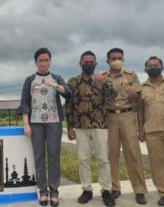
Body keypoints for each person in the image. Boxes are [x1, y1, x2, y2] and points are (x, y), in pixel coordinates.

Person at [18, 48, 70, 207]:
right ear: (36, 62)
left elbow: (68, 93)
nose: (44, 63)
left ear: (50, 61)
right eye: (41, 60)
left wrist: (56, 85)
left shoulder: (56, 78)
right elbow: (24, 103)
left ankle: (54, 191)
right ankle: (43, 191)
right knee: (39, 157)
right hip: (36, 123)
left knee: (54, 156)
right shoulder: (30, 80)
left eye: (47, 60)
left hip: (54, 122)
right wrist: (26, 124)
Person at [65, 51, 117, 206]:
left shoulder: (102, 79)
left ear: (96, 63)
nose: (88, 64)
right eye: (85, 62)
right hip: (80, 126)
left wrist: (106, 81)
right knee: (83, 159)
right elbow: (69, 105)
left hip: (100, 125)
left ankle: (106, 191)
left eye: (91, 62)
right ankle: (86, 190)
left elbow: (113, 94)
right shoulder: (73, 82)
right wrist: (70, 127)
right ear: (80, 64)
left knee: (103, 159)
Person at [101, 48, 147, 204]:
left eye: (120, 58)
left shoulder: (131, 76)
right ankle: (115, 188)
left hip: (128, 115)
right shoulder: (102, 77)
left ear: (123, 60)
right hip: (110, 116)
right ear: (107, 61)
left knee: (133, 154)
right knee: (111, 154)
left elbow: (139, 102)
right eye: (113, 58)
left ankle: (139, 190)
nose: (117, 60)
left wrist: (134, 97)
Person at [137, 56, 164, 206]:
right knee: (157, 165)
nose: (153, 67)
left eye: (156, 65)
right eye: (150, 65)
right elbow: (140, 110)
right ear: (145, 69)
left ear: (162, 67)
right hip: (152, 131)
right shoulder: (142, 88)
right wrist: (140, 130)